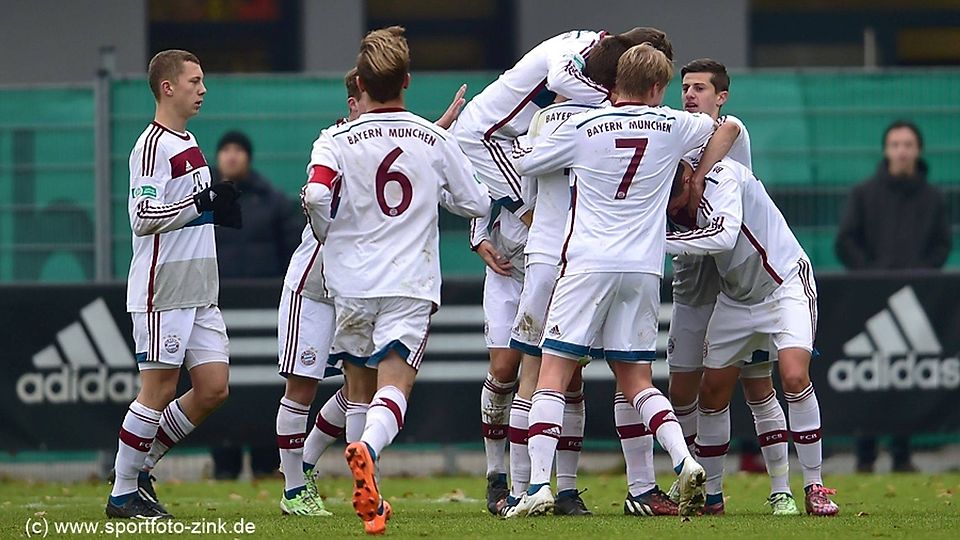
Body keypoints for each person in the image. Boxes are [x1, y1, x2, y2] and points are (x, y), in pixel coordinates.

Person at [468, 26, 674, 514]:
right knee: (534, 372)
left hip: (570, 259)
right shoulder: (599, 119)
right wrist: (486, 228)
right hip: (549, 256)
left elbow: (504, 158)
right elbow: (494, 162)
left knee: (555, 375)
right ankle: (516, 486)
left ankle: (558, 490)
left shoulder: (563, 119)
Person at [506, 43, 716, 518]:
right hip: (642, 269)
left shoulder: (581, 127)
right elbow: (724, 126)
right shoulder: (677, 126)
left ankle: (538, 485)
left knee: (553, 373)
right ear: (659, 88)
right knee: (638, 380)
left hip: (586, 263)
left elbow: (524, 164)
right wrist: (697, 177)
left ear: (615, 81)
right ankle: (683, 461)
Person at [301, 26, 489, 535]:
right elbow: (476, 202)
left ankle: (371, 497)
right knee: (396, 382)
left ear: (359, 82)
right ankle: (369, 450)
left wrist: (327, 232)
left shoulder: (335, 139)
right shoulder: (433, 138)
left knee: (357, 387)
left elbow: (317, 196)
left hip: (351, 282)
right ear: (407, 80)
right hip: (409, 279)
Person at [665, 156, 840, 516]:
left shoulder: (724, 176)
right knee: (711, 392)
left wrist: (659, 240)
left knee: (793, 375)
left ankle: (814, 486)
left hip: (784, 285)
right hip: (735, 297)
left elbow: (725, 235)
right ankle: (711, 498)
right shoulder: (673, 201)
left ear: (689, 176)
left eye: (677, 184)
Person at [107, 49, 241, 519]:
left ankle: (139, 466)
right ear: (168, 87)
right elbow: (143, 219)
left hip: (200, 288)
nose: (203, 89)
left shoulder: (189, 141)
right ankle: (123, 493)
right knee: (158, 389)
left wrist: (213, 207)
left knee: (213, 388)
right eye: (195, 81)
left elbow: (188, 210)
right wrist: (202, 203)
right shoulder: (151, 146)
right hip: (162, 288)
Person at [661, 59, 797, 516]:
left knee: (758, 387)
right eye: (685, 88)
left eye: (700, 88)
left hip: (735, 284)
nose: (690, 95)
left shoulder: (728, 135)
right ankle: (694, 478)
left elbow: (732, 127)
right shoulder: (674, 136)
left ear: (720, 96)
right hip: (690, 280)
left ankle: (783, 487)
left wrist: (697, 178)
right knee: (683, 390)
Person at [836, 120, 950, 472]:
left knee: (905, 378)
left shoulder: (934, 198)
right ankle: (865, 455)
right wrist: (871, 275)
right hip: (870, 302)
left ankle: (902, 455)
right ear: (887, 150)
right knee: (868, 378)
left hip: (915, 302)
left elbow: (942, 245)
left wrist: (921, 273)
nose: (902, 150)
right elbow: (846, 241)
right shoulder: (863, 194)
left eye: (908, 144)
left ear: (918, 150)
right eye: (896, 144)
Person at [213, 131, 303, 279]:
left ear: (248, 157)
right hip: (216, 291)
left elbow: (291, 246)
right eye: (226, 150)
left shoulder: (273, 201)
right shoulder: (205, 203)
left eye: (238, 150)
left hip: (264, 292)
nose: (231, 156)